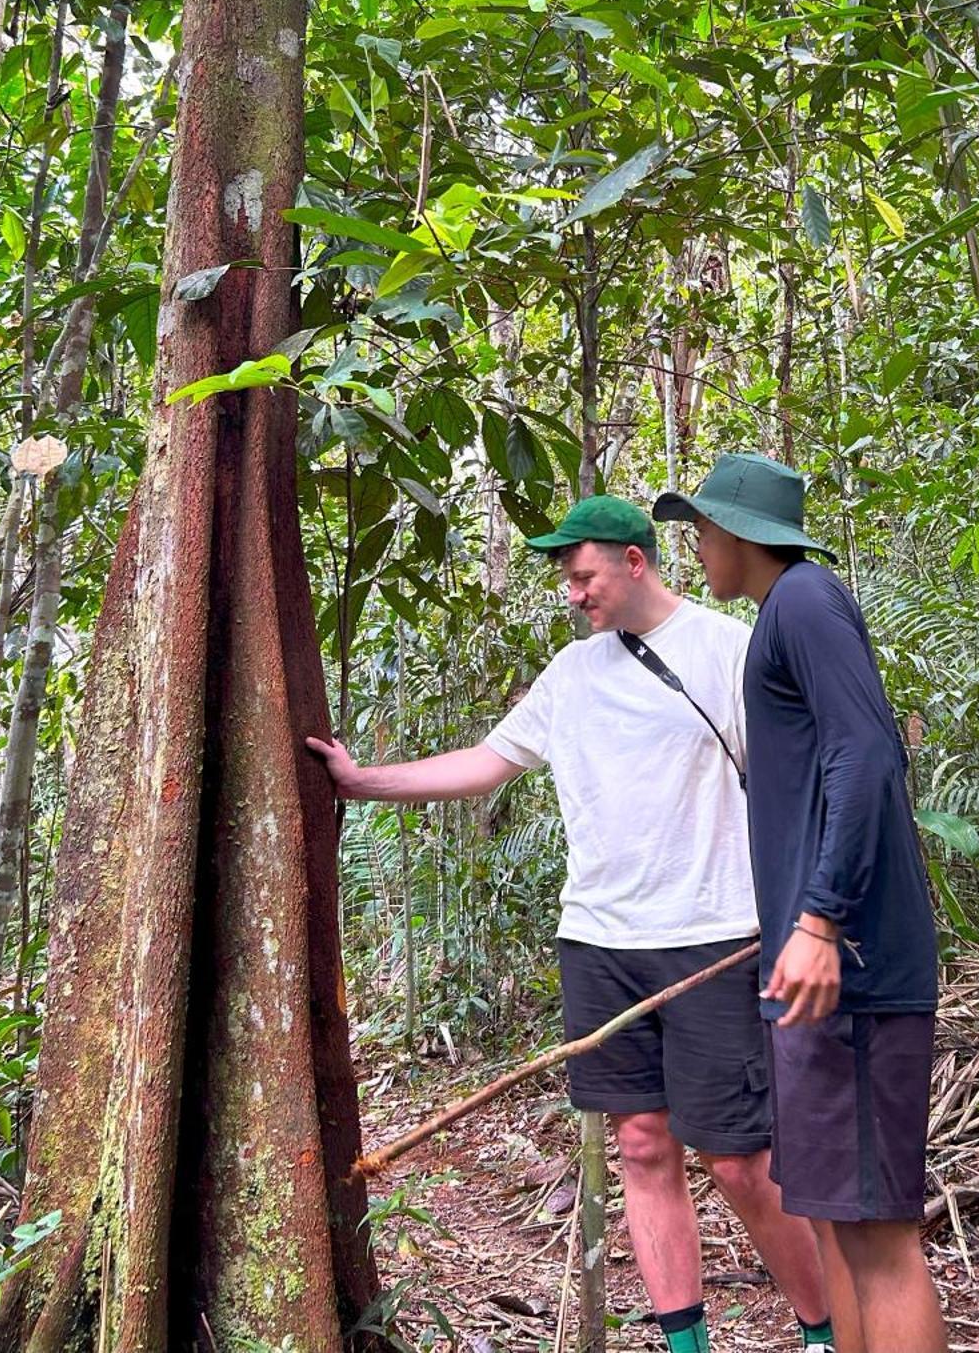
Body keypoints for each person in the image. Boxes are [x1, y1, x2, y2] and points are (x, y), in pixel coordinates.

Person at [307, 494, 833, 1353]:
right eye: (566, 579)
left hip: (714, 934)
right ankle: (685, 1343)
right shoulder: (572, 674)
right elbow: (488, 764)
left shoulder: (727, 650)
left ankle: (824, 1329)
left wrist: (814, 914)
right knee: (639, 1144)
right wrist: (365, 783)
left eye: (582, 575)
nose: (572, 593)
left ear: (634, 562)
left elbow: (803, 773)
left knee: (738, 1157)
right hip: (598, 939)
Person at [653, 455, 949, 1353]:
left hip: (851, 971)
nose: (697, 542)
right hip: (812, 978)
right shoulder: (783, 614)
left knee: (878, 1236)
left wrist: (821, 919)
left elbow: (867, 754)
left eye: (702, 526)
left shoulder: (807, 600)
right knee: (831, 1220)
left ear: (742, 533)